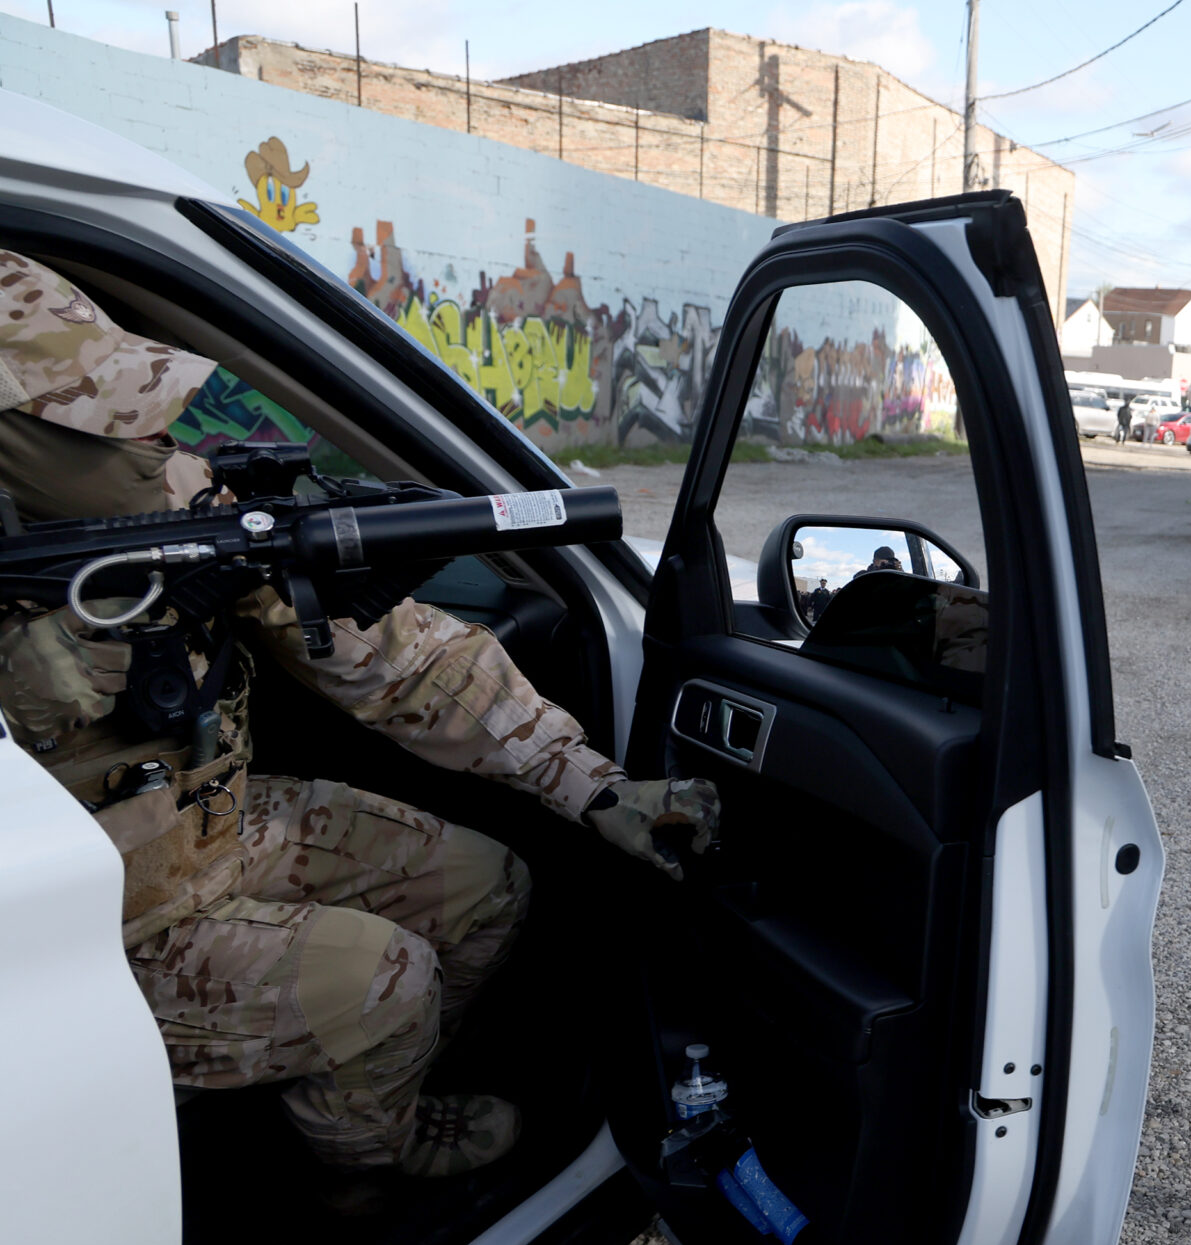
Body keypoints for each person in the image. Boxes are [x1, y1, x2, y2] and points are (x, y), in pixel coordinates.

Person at [0, 251, 716, 1197]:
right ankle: (359, 1168)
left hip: (200, 832)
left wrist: (592, 786)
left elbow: (395, 653)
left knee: (485, 886)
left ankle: (365, 1093)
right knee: (392, 981)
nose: (142, 439)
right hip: (67, 934)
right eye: (91, 423)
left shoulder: (164, 503)